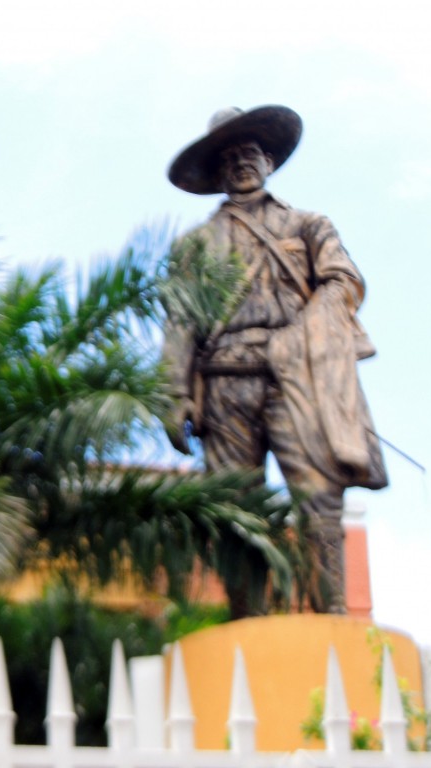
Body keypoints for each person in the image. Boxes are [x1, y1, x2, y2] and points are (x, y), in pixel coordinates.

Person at [163, 106, 387, 616]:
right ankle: (249, 616)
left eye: (250, 154)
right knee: (236, 505)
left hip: (295, 378)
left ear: (268, 160)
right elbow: (180, 320)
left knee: (319, 495)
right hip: (223, 383)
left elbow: (344, 281)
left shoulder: (308, 225)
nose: (241, 163)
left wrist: (307, 328)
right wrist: (174, 393)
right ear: (219, 172)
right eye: (230, 158)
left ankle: (329, 610)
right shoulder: (194, 245)